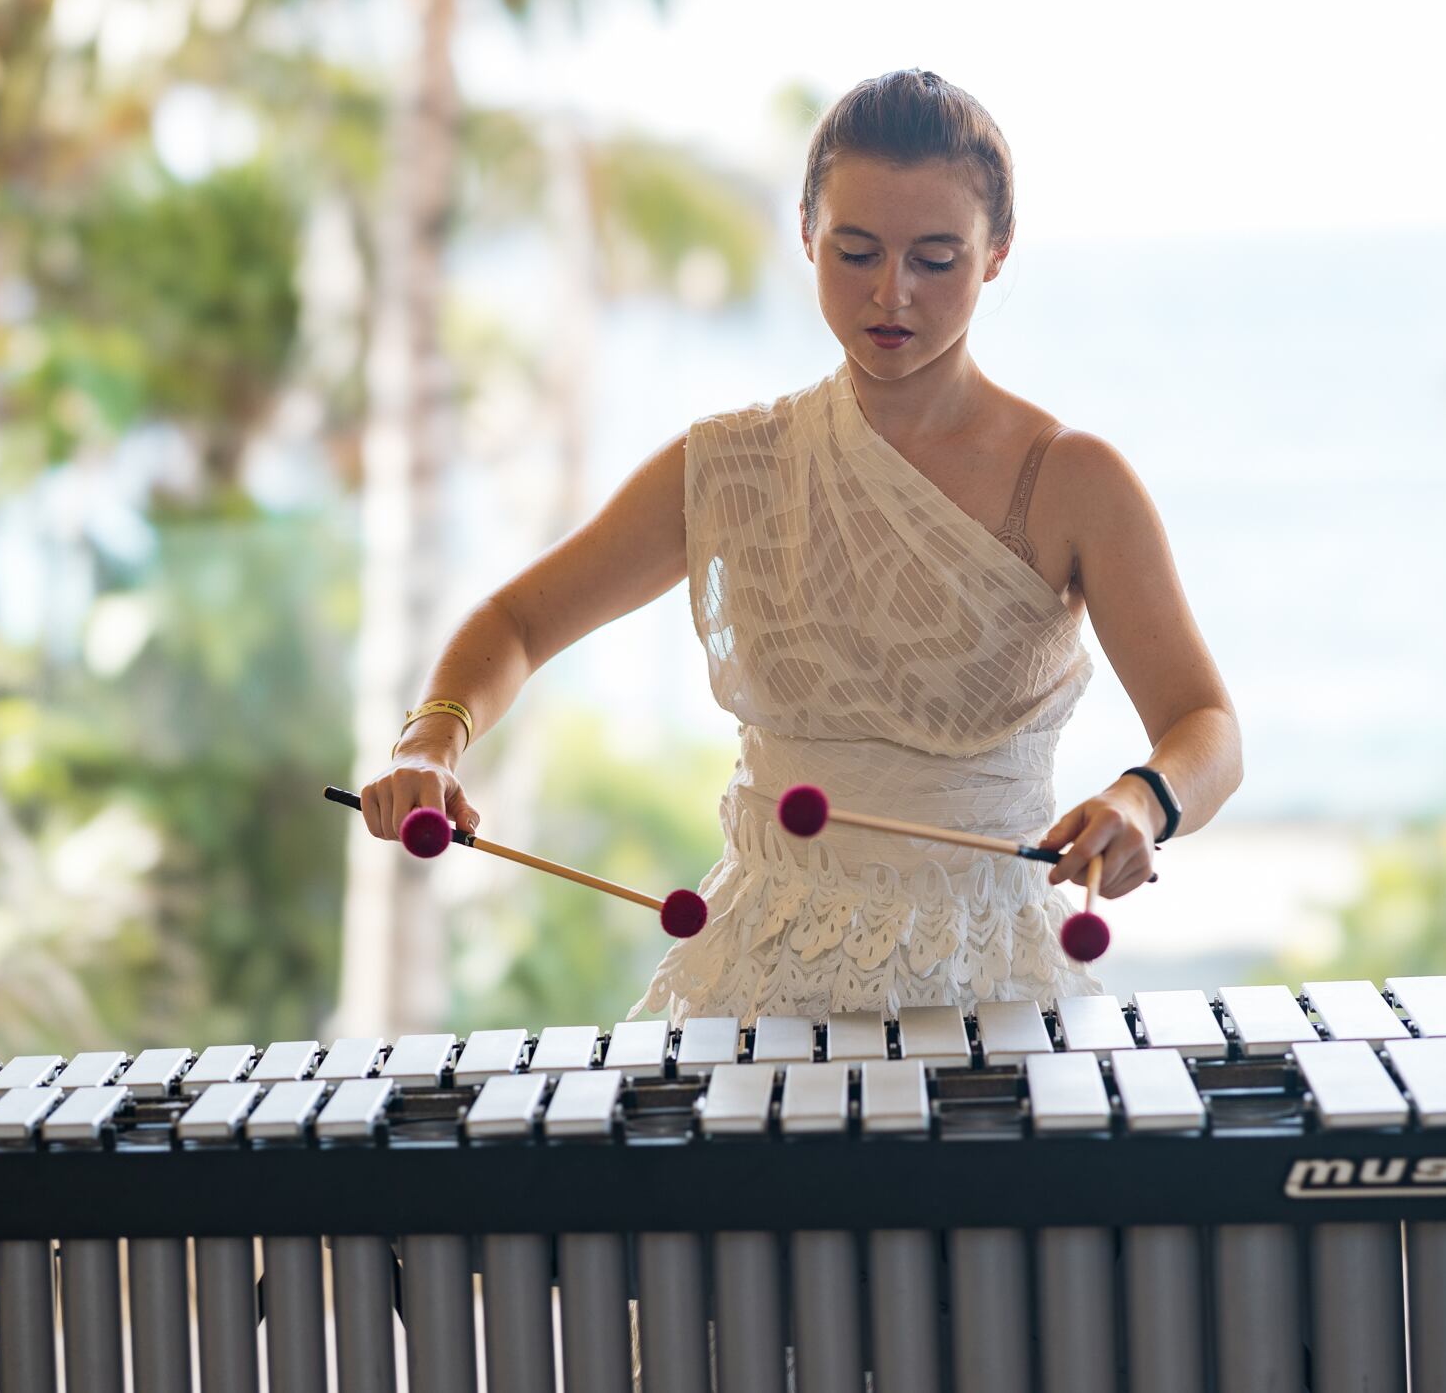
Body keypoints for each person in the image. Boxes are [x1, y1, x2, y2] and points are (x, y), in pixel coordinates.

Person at [358, 69, 1241, 1020]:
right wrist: (433, 740)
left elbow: (1206, 727)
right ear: (808, 232)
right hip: (755, 971)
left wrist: (1143, 799)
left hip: (991, 979)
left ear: (997, 253)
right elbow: (519, 622)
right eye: (855, 251)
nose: (890, 293)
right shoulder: (731, 465)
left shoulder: (1073, 481)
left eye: (936, 259)